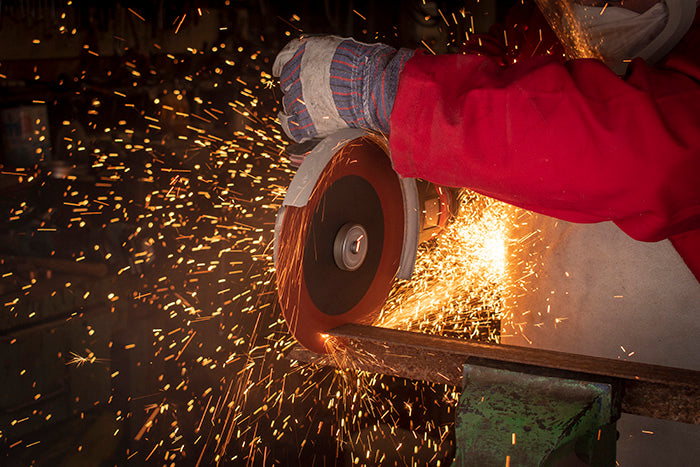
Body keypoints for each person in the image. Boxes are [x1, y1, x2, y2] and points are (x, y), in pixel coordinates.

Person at [272, 0, 700, 282]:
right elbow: (496, 86)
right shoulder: (542, 20)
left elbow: (656, 157)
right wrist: (412, 166)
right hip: (539, 355)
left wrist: (396, 94)